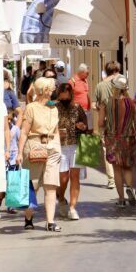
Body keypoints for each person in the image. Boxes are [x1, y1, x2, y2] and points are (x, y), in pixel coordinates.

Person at [17, 76, 62, 232]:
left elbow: (56, 130)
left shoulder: (54, 108)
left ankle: (50, 222)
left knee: (51, 186)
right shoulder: (31, 108)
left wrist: (57, 147)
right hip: (35, 145)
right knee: (33, 185)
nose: (54, 89)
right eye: (51, 87)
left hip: (52, 147)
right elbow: (24, 131)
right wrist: (19, 152)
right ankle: (28, 217)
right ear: (44, 90)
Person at [100, 74, 136, 207]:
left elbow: (100, 122)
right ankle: (129, 186)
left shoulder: (106, 102)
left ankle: (121, 199)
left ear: (114, 87)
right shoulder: (132, 102)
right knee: (127, 166)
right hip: (128, 138)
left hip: (112, 138)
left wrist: (106, 124)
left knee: (117, 169)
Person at [54, 81, 89, 220]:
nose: (64, 98)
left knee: (75, 177)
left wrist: (82, 126)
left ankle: (73, 208)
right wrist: (56, 131)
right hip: (60, 146)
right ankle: (61, 198)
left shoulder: (77, 107)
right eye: (62, 96)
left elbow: (85, 124)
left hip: (76, 144)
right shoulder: (54, 108)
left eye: (67, 95)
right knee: (63, 178)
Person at [94, 60, 121, 189]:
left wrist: (99, 108)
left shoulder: (100, 85)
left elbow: (97, 104)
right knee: (121, 148)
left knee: (107, 149)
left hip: (105, 121)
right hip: (121, 121)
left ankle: (111, 180)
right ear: (117, 70)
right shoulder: (122, 83)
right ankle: (121, 176)